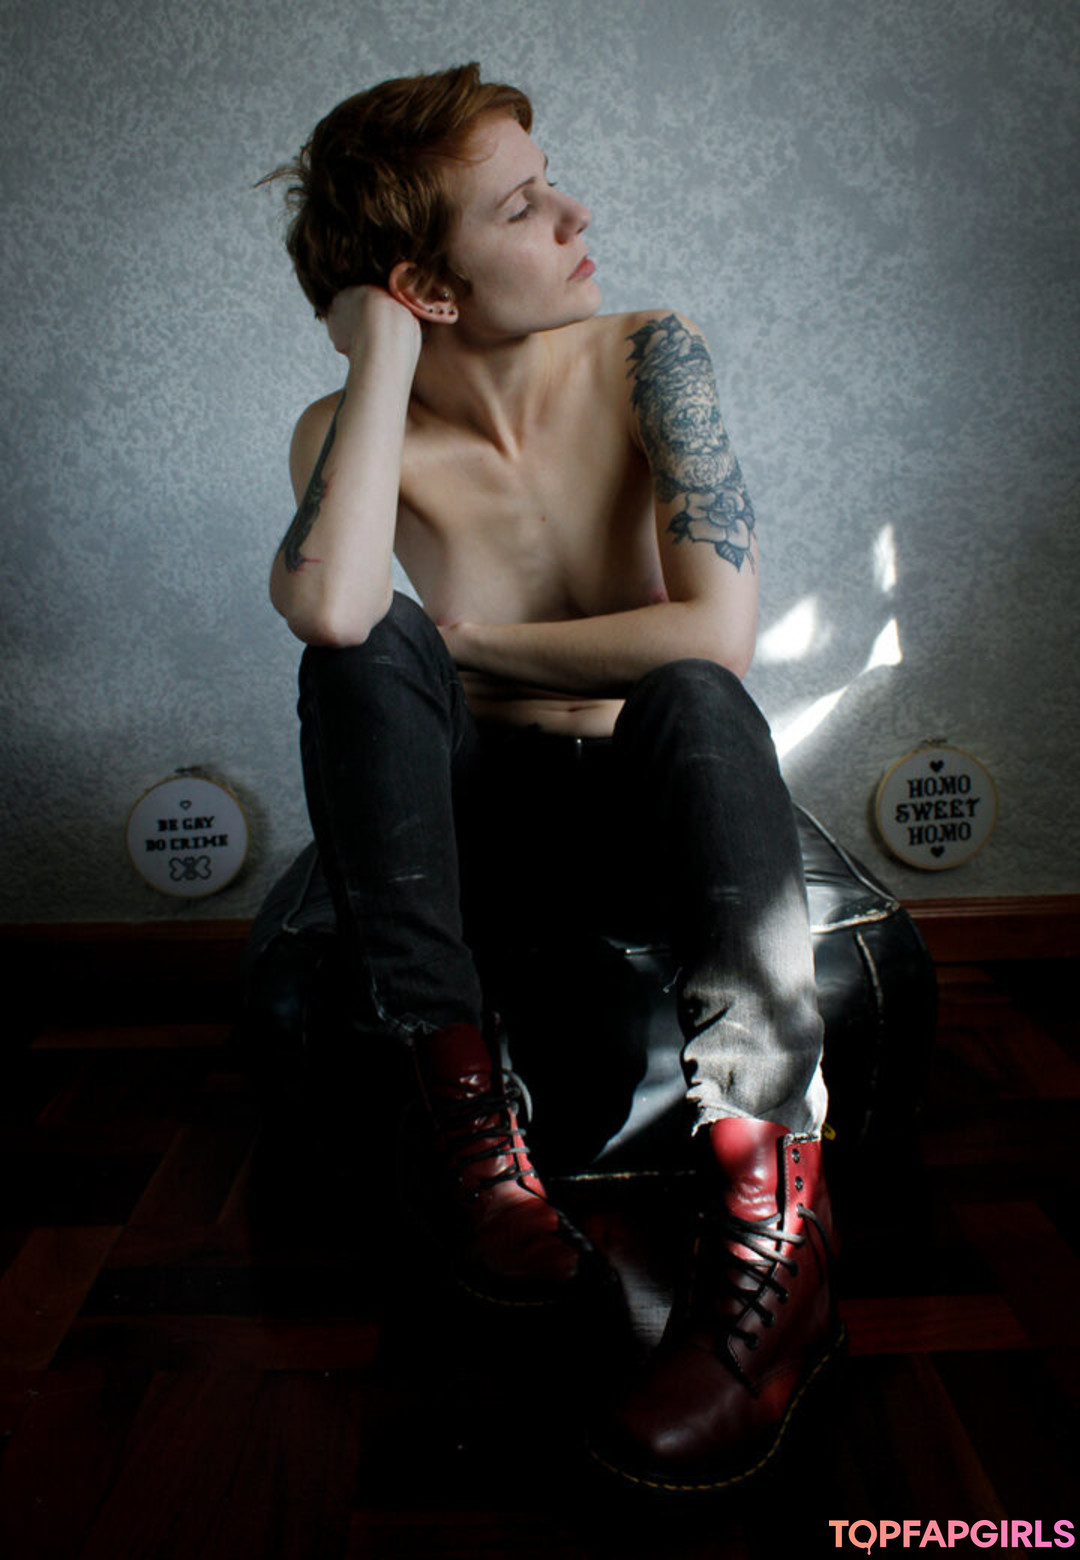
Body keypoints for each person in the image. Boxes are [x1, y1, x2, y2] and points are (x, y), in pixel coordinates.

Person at [263, 63, 843, 1493]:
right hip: (478, 843)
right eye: (523, 208)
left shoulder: (652, 355)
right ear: (427, 286)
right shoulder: (345, 430)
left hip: (646, 812)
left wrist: (475, 646)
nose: (577, 214)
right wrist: (380, 354)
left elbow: (715, 635)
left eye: (549, 181)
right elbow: (335, 615)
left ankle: (774, 1229)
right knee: (365, 645)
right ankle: (467, 1135)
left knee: (694, 696)